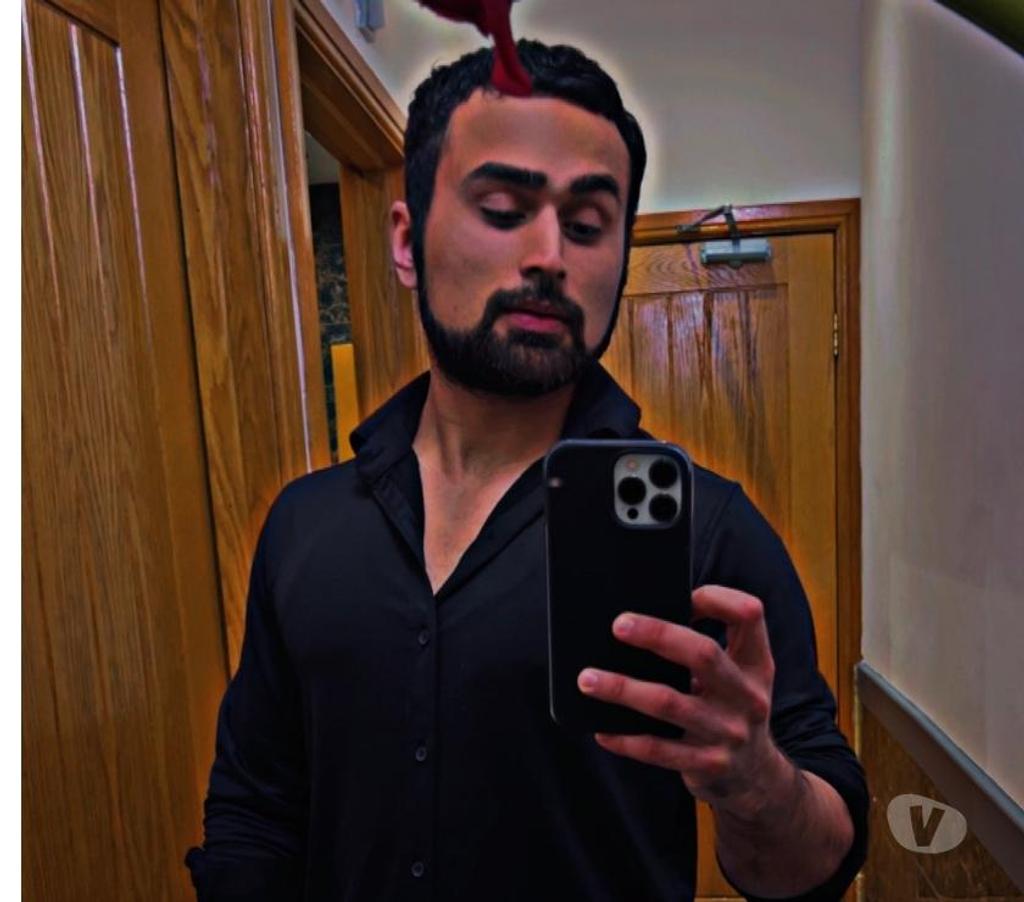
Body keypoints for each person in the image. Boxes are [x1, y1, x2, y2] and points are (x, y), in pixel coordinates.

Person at [186, 39, 868, 901]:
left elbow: (818, 869)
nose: (550, 255)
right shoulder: (305, 527)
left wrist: (756, 783)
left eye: (587, 226)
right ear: (407, 242)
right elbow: (255, 811)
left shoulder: (707, 534)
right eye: (505, 209)